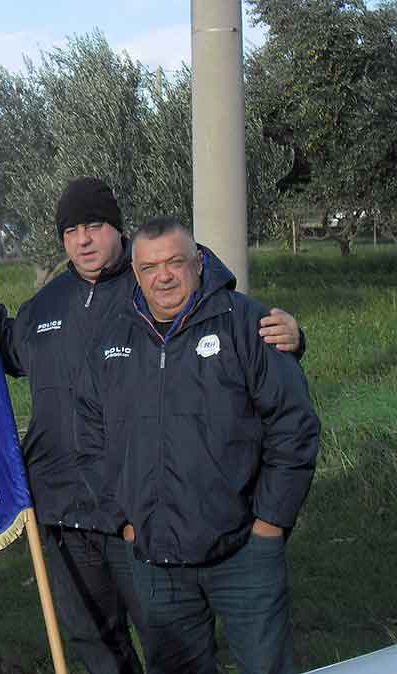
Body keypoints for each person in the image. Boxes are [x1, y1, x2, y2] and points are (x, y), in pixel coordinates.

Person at [0, 178, 302, 674]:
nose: (83, 240)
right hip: (62, 507)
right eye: (71, 231)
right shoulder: (46, 305)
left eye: (95, 226)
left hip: (140, 517)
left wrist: (293, 336)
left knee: (168, 643)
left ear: (119, 230)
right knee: (96, 641)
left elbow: (234, 348)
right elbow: (9, 353)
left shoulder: (148, 291)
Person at [75, 216, 320, 674]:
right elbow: (90, 438)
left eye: (175, 262)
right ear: (135, 273)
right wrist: (124, 520)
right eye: (149, 268)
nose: (163, 277)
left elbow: (295, 427)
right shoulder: (112, 339)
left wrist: (270, 523)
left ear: (199, 262)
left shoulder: (248, 324)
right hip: (155, 559)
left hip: (244, 552)